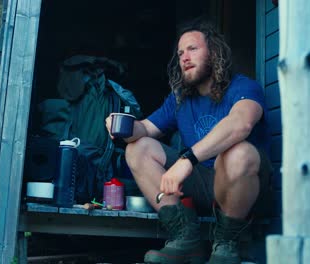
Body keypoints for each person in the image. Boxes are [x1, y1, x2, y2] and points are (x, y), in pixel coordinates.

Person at [106, 19, 271, 264]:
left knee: (239, 152)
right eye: (181, 52)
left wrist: (187, 160)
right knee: (137, 148)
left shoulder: (244, 87)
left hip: (242, 186)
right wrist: (124, 127)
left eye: (193, 49)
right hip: (203, 184)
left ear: (214, 53)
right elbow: (147, 129)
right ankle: (185, 239)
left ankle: (226, 243)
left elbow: (241, 123)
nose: (184, 57)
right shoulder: (180, 98)